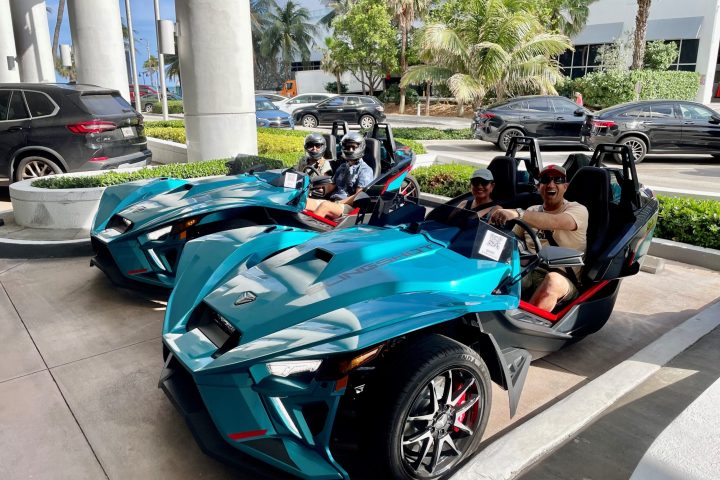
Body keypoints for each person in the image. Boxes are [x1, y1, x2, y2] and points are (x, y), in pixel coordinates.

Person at [490, 165, 588, 311]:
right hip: (530, 270)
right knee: (496, 271)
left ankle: (525, 326)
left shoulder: (577, 209)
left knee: (552, 281)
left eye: (558, 180)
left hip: (564, 278)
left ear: (565, 187)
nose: (551, 184)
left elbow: (556, 221)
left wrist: (518, 213)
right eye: (545, 180)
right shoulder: (532, 210)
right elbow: (512, 240)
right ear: (538, 186)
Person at [305, 132, 374, 219]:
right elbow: (333, 185)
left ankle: (311, 230)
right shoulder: (343, 166)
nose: (350, 150)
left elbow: (359, 195)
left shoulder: (365, 170)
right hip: (334, 202)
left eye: (354, 147)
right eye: (348, 147)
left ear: (360, 147)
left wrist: (340, 203)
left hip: (350, 207)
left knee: (325, 206)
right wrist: (323, 190)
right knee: (305, 202)